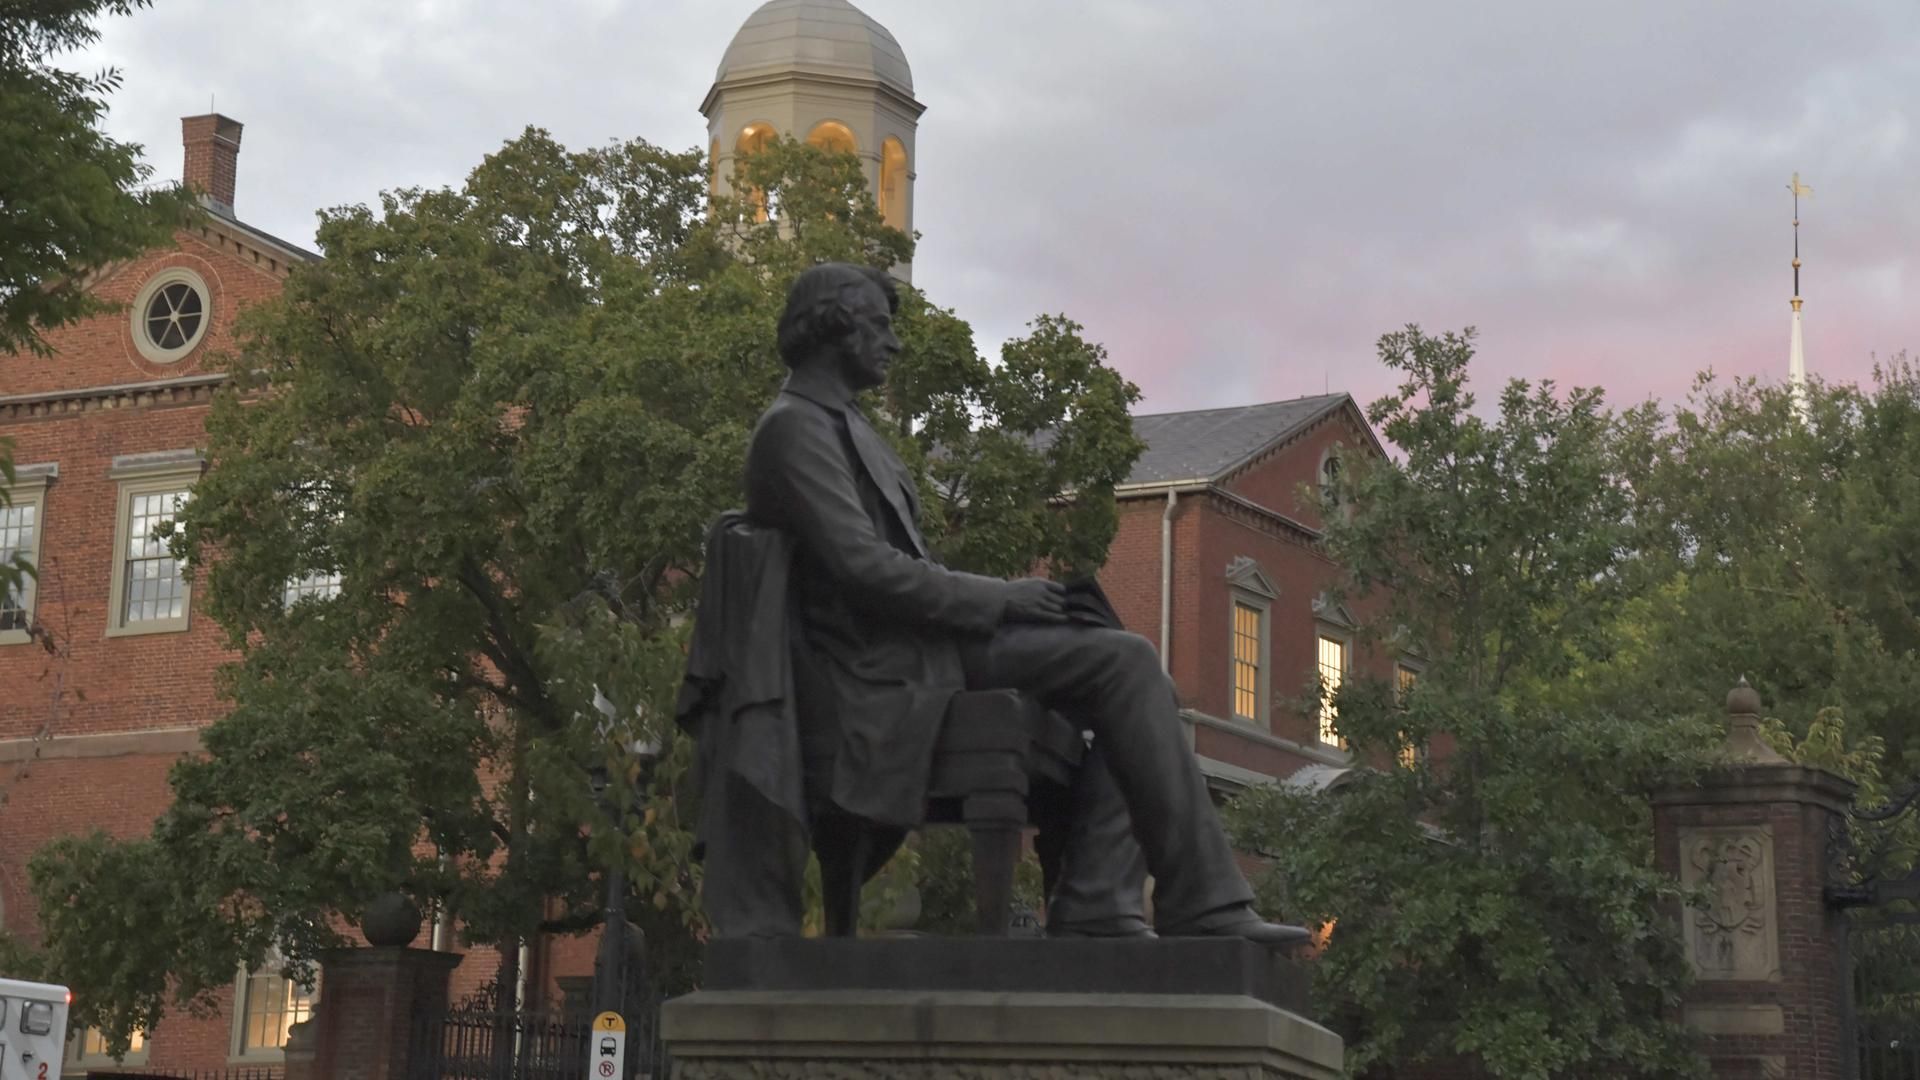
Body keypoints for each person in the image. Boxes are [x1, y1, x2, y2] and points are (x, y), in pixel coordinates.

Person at [741, 262, 1305, 944]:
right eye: (879, 327)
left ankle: (1100, 901)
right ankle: (1189, 904)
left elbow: (894, 567)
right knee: (1125, 664)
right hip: (878, 671)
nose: (893, 343)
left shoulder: (845, 428)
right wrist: (1006, 598)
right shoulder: (794, 430)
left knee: (1133, 668)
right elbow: (864, 569)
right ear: (834, 327)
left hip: (919, 652)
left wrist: (1023, 602)